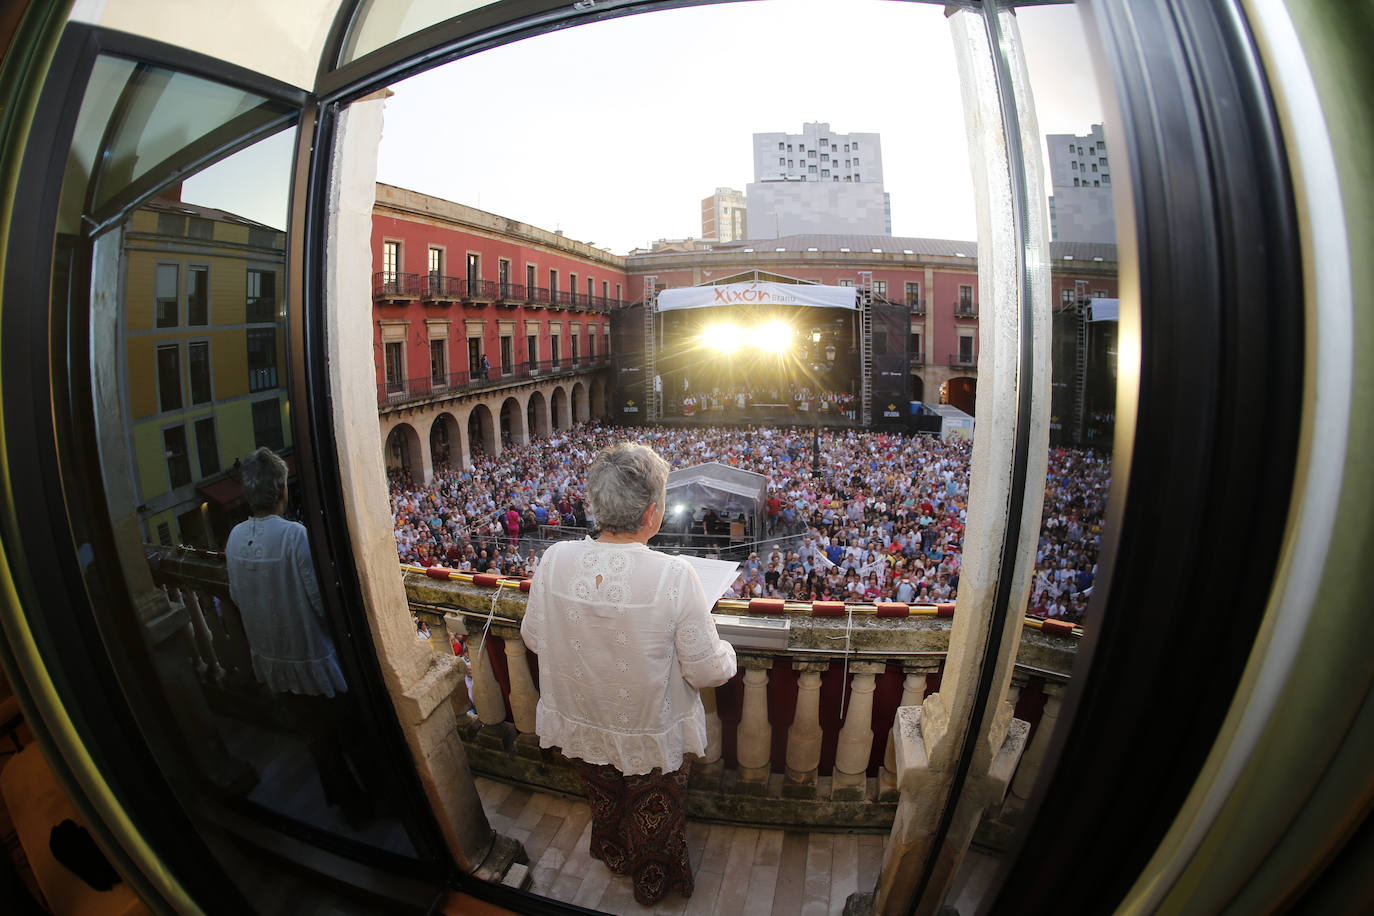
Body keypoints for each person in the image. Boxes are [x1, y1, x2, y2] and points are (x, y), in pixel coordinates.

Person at [521, 442, 737, 906]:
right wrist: (729, 652)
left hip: (584, 716)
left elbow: (536, 638)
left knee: (604, 798)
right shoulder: (675, 576)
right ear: (653, 514)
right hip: (647, 727)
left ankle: (615, 855)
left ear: (596, 505)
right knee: (653, 810)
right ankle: (651, 881)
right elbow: (707, 670)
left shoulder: (554, 559)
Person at [225, 448, 372, 825]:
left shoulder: (234, 538)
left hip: (273, 660)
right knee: (350, 734)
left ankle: (346, 805)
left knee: (317, 742)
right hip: (313, 659)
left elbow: (238, 598)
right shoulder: (294, 536)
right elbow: (322, 603)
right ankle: (374, 803)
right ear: (281, 490)